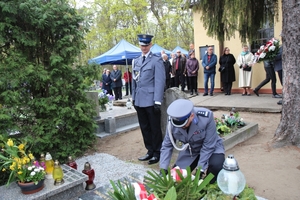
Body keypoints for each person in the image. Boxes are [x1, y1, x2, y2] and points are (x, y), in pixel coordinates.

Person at [160, 99, 225, 183]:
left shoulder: (206, 117)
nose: (181, 127)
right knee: (175, 177)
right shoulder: (172, 121)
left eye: (184, 124)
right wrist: (163, 169)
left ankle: (207, 187)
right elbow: (167, 145)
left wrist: (200, 169)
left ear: (191, 116)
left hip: (212, 148)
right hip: (191, 151)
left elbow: (208, 146)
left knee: (216, 166)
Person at [132, 34, 166, 165]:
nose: (144, 47)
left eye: (146, 45)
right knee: (144, 127)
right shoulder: (136, 61)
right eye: (142, 45)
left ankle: (158, 152)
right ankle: (150, 150)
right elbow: (134, 83)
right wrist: (133, 98)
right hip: (140, 100)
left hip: (151, 100)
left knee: (154, 127)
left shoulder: (156, 60)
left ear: (150, 45)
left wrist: (157, 101)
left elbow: (159, 81)